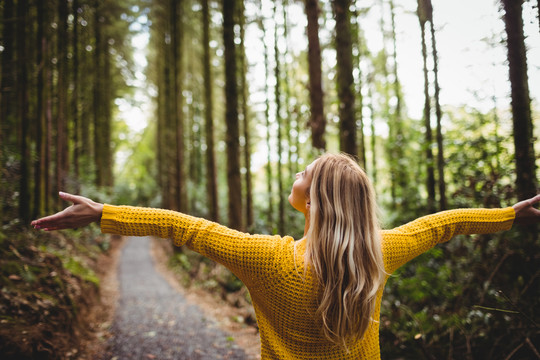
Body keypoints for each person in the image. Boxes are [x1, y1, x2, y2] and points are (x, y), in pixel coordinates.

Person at [32, 153, 540, 359]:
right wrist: (510, 215)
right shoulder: (378, 253)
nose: (296, 175)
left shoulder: (267, 258)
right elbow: (445, 224)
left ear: (313, 198)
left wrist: (103, 213)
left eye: (304, 171)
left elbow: (180, 226)